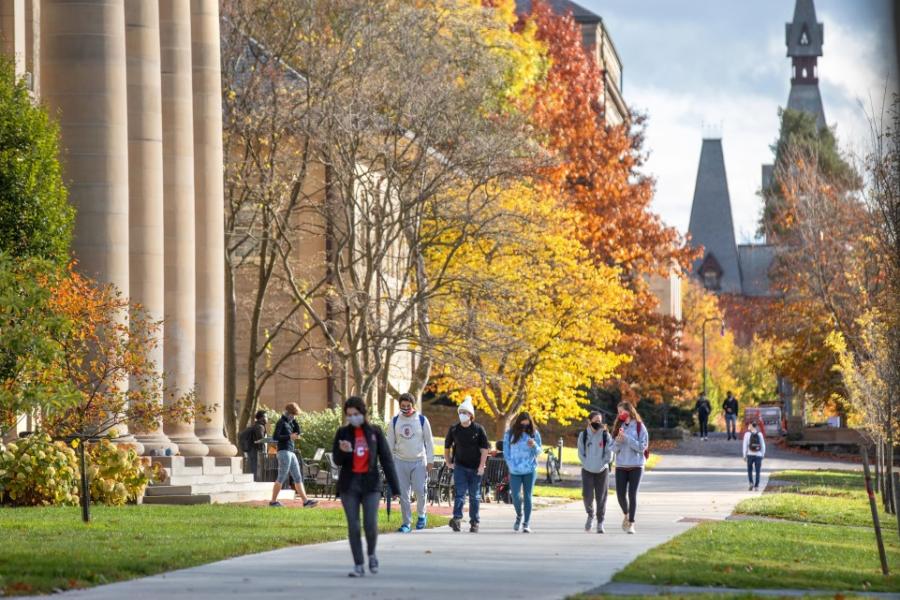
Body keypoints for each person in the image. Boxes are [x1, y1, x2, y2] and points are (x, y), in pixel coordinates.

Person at [333, 396, 401, 577]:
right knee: (354, 526)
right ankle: (358, 565)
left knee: (370, 524)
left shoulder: (375, 432)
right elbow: (336, 460)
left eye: (355, 414)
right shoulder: (342, 433)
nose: (352, 418)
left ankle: (371, 554)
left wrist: (395, 488)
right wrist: (343, 451)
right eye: (349, 415)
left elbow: (387, 460)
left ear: (363, 413)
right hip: (350, 485)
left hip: (371, 485)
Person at [386, 392, 435, 533]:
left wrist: (430, 460)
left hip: (419, 461)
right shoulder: (395, 421)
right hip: (400, 461)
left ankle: (421, 515)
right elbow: (389, 443)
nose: (405, 408)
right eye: (403, 406)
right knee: (403, 495)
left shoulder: (422, 420)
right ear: (399, 406)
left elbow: (429, 441)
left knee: (420, 491)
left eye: (408, 406)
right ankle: (406, 522)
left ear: (413, 406)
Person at [444, 396, 489, 533]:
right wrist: (448, 462)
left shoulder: (479, 429)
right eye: (460, 412)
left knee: (475, 496)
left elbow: (484, 450)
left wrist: (482, 466)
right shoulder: (454, 429)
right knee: (460, 494)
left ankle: (474, 522)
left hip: (476, 468)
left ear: (471, 415)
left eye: (465, 412)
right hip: (460, 467)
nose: (462, 415)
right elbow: (447, 447)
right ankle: (457, 519)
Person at [269, 403, 318, 508]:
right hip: (283, 452)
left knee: (297, 476)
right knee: (282, 476)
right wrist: (289, 436)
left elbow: (298, 432)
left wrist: (295, 421)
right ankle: (273, 502)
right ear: (289, 412)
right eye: (293, 414)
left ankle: (305, 502)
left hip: (291, 452)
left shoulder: (290, 422)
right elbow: (275, 437)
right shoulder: (281, 422)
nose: (294, 416)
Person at [612, 401, 649, 535]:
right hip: (621, 465)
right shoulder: (618, 426)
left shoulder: (640, 427)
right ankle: (627, 515)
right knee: (620, 494)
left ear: (629, 411)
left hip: (636, 465)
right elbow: (612, 448)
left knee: (632, 494)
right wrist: (618, 441)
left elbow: (642, 447)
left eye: (622, 411)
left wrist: (627, 438)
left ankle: (631, 523)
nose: (620, 414)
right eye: (618, 412)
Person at [503, 411, 541, 533]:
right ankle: (519, 515)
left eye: (527, 424)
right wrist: (510, 465)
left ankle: (526, 523)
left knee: (528, 496)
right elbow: (506, 451)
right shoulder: (510, 434)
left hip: (530, 470)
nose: (524, 427)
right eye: (522, 424)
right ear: (518, 422)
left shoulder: (535, 434)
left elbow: (539, 451)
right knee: (515, 496)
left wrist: (534, 445)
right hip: (514, 470)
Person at [577, 411, 613, 533]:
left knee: (601, 497)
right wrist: (587, 464)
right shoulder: (583, 435)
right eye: (596, 420)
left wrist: (604, 462)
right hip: (587, 470)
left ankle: (600, 522)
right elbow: (580, 453)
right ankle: (590, 514)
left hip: (602, 470)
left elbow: (610, 452)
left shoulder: (605, 435)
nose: (598, 422)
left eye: (600, 420)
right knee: (587, 496)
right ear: (589, 421)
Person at [239, 410, 268, 480]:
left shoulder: (256, 425)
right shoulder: (260, 427)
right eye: (266, 417)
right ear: (262, 418)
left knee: (252, 464)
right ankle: (254, 480)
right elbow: (261, 439)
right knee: (255, 465)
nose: (267, 418)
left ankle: (251, 479)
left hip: (251, 448)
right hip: (255, 449)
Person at [742, 420, 766, 491]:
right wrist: (762, 454)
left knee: (750, 470)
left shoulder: (747, 434)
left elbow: (745, 445)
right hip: (758, 455)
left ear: (751, 425)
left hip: (750, 455)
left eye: (749, 425)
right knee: (758, 471)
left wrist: (744, 455)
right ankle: (757, 486)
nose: (748, 426)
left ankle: (751, 483)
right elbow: (763, 445)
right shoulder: (760, 434)